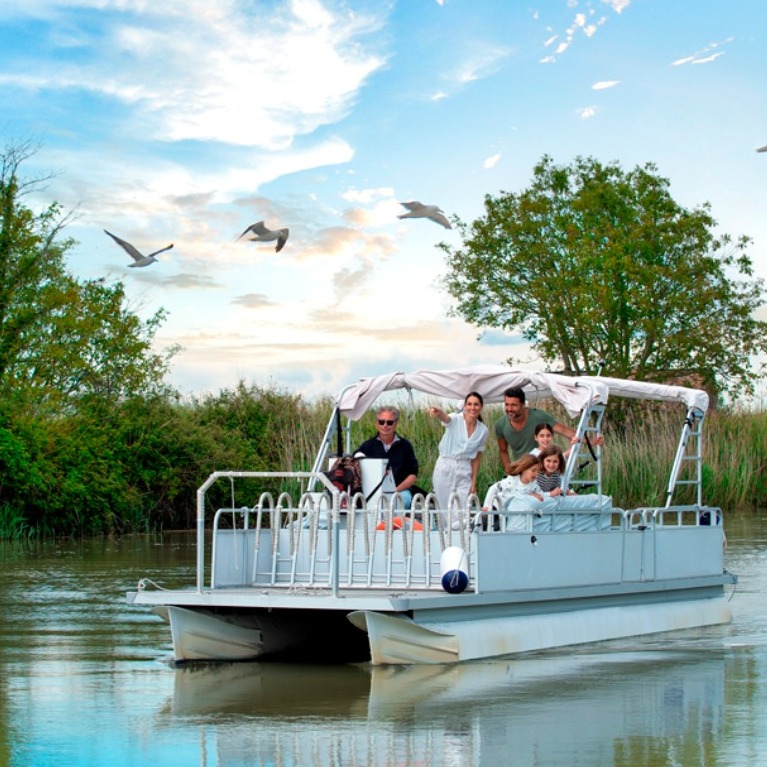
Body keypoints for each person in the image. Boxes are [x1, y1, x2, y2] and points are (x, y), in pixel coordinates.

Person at [428, 392, 489, 510]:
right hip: (446, 464)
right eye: (469, 404)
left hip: (465, 468)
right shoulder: (456, 419)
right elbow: (446, 418)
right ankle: (446, 528)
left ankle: (462, 528)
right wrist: (438, 412)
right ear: (465, 406)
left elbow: (476, 457)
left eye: (476, 404)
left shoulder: (483, 430)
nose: (472, 408)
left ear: (481, 407)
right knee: (444, 507)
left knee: (463, 508)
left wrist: (474, 481)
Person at [496, 386, 576, 474]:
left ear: (523, 405)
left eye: (514, 405)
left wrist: (589, 440)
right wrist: (509, 473)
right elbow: (503, 450)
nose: (509, 409)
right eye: (507, 404)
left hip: (541, 469)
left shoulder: (539, 416)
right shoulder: (500, 424)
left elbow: (564, 430)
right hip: (521, 471)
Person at [355, 406, 419, 509]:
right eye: (381, 422)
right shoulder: (367, 446)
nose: (385, 425)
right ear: (377, 423)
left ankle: (396, 525)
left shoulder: (405, 446)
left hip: (400, 491)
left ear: (396, 424)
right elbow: (355, 465)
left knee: (402, 501)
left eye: (389, 422)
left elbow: (413, 474)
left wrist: (395, 490)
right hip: (372, 491)